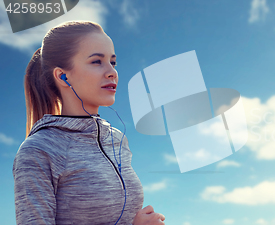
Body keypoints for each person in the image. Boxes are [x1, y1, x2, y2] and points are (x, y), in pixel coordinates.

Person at [12, 21, 166, 225]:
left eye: (113, 62)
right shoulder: (39, 150)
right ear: (63, 76)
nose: (112, 72)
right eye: (96, 61)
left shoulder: (117, 139)